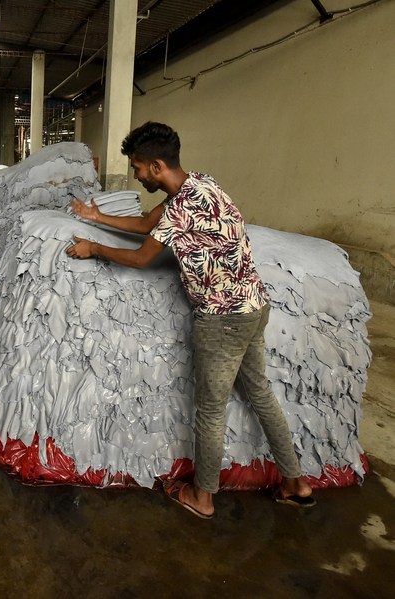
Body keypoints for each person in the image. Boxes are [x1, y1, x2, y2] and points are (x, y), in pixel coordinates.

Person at [66, 121, 314, 519]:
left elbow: (143, 257)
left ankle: (203, 497)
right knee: (261, 394)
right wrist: (97, 217)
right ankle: (296, 482)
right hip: (253, 307)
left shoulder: (181, 207)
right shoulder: (201, 183)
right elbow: (149, 225)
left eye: (138, 168)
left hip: (222, 320)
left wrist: (93, 248)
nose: (136, 174)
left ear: (157, 166)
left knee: (210, 410)